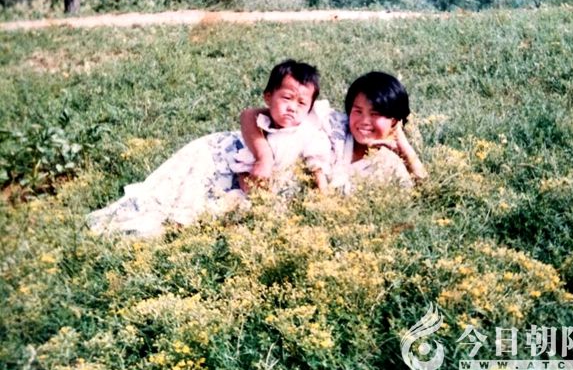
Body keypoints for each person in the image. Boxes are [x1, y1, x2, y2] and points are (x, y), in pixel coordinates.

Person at [86, 59, 332, 237]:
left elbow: (316, 164)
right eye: (286, 98)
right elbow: (246, 170)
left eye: (302, 103)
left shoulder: (308, 132)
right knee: (206, 204)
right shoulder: (261, 126)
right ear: (268, 98)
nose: (292, 108)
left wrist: (324, 201)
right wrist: (258, 196)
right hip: (249, 187)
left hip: (282, 191)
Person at [240, 71, 425, 193]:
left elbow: (425, 193)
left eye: (375, 114)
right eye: (357, 111)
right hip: (245, 156)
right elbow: (250, 115)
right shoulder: (334, 123)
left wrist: (405, 148)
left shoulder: (388, 163)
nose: (364, 121)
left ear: (394, 121)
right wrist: (263, 158)